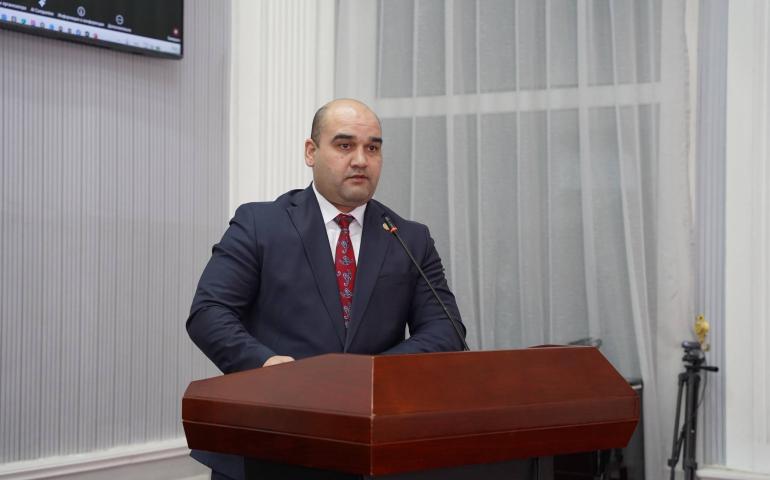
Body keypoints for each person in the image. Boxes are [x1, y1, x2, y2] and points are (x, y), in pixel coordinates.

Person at [187, 98, 466, 480]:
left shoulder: (408, 237)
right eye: (345, 145)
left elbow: (445, 328)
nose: (361, 160)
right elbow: (209, 312)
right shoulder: (259, 223)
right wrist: (266, 366)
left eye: (373, 148)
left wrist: (374, 375)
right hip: (270, 439)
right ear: (311, 151)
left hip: (373, 449)